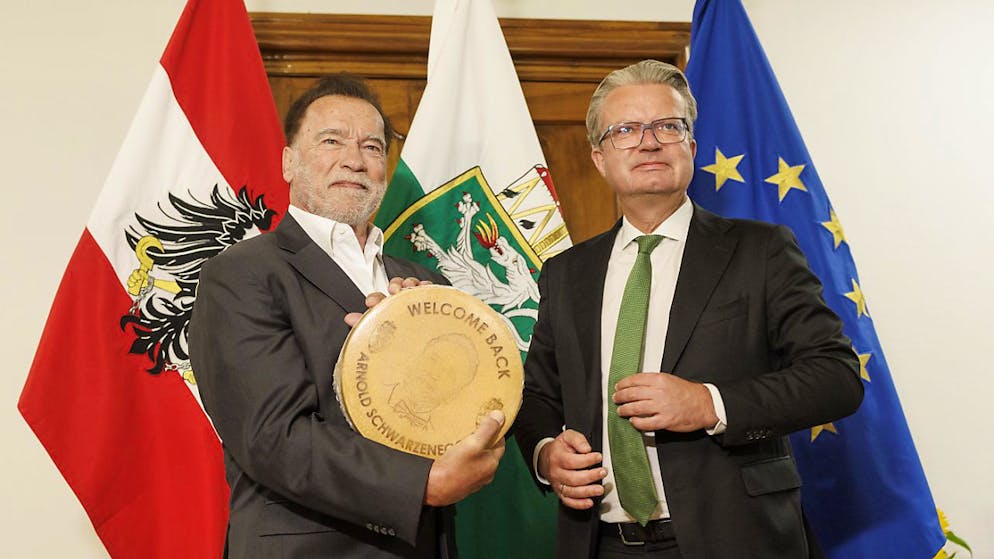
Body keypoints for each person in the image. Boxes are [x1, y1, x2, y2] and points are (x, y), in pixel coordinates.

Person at [514, 60, 864, 559]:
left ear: (691, 149)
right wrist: (546, 453)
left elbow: (836, 377)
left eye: (667, 126)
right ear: (599, 159)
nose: (648, 142)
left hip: (736, 539)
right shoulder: (566, 272)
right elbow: (536, 394)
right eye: (625, 130)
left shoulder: (760, 250)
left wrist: (709, 403)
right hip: (600, 542)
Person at [189, 74, 505, 559]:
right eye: (331, 141)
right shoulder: (242, 274)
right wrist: (421, 484)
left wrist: (423, 345)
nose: (354, 160)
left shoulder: (425, 284)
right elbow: (272, 437)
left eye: (372, 147)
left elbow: (468, 407)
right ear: (288, 162)